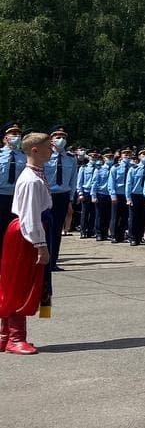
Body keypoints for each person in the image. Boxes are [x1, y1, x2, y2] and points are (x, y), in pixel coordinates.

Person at [0, 132, 54, 354]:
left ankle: (5, 336)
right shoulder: (31, 180)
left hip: (26, 232)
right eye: (47, 146)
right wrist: (40, 245)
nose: (51, 149)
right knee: (22, 284)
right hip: (26, 235)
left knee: (15, 283)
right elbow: (30, 216)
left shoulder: (36, 174)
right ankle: (15, 338)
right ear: (34, 150)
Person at [44, 126, 78, 277]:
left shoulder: (71, 158)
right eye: (57, 136)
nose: (61, 139)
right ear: (51, 139)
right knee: (44, 228)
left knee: (57, 230)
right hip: (46, 195)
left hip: (62, 196)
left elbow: (73, 180)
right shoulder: (44, 156)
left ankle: (53, 262)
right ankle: (43, 260)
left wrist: (70, 198)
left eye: (63, 137)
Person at [0, 122, 26, 246]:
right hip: (1, 196)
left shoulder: (24, 156)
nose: (17, 137)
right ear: (5, 138)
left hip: (17, 197)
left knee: (14, 231)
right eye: (14, 134)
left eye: (19, 134)